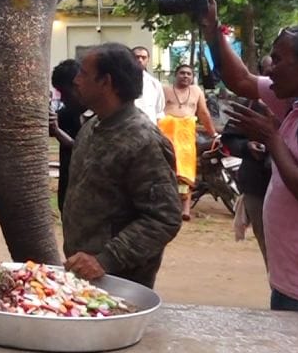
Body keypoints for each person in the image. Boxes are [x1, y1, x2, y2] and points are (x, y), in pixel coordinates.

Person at [202, 0, 298, 313]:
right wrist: (211, 28)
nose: (270, 69)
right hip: (295, 281)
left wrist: (272, 138)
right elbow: (240, 79)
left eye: (278, 59)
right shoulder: (297, 100)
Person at [63, 43, 183, 288]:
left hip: (119, 281)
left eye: (83, 73)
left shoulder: (144, 141)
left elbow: (164, 218)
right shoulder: (91, 127)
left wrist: (105, 260)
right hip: (84, 275)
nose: (76, 80)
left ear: (106, 82)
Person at [225, 55, 274, 265]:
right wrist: (247, 147)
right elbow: (229, 139)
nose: (274, 75)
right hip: (257, 187)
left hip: (294, 192)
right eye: (269, 72)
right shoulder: (251, 105)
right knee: (269, 250)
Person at [160, 63, 218, 221]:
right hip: (166, 136)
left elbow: (204, 113)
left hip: (186, 139)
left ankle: (185, 208)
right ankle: (167, 206)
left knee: (186, 172)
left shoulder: (196, 91)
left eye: (188, 74)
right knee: (166, 171)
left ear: (192, 77)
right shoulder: (164, 90)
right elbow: (156, 111)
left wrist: (213, 133)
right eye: (182, 73)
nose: (185, 76)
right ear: (175, 75)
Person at [49, 59, 89, 214]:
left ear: (79, 86)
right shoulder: (66, 114)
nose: (63, 99)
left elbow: (86, 149)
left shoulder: (100, 115)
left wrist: (57, 132)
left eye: (66, 93)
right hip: (67, 192)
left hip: (91, 196)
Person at [132, 46, 166, 124]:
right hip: (127, 128)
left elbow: (159, 111)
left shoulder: (154, 83)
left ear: (148, 60)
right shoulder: (120, 81)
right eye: (137, 57)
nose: (140, 60)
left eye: (143, 57)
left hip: (149, 127)